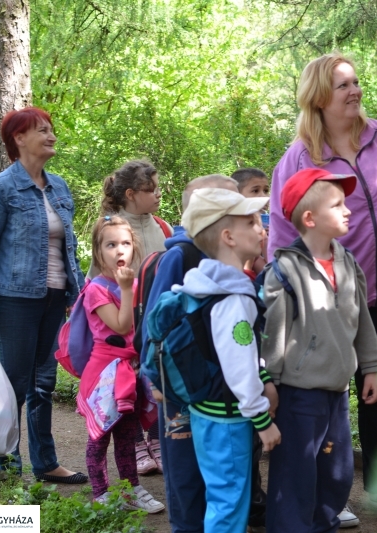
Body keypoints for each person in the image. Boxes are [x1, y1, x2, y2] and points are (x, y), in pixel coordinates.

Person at [267, 52, 377, 526]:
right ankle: (331, 495)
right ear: (318, 97)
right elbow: (280, 232)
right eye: (343, 85)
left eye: (355, 82)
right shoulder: (298, 158)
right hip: (326, 299)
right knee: (325, 398)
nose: (355, 91)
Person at [140, 174, 267, 533]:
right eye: (249, 221)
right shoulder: (193, 266)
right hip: (206, 402)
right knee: (209, 488)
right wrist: (154, 380)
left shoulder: (217, 275)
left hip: (206, 399)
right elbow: (154, 326)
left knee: (219, 488)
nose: (260, 227)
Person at [0, 106, 87, 483]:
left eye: (51, 129)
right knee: (15, 384)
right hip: (16, 299)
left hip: (56, 298)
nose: (52, 136)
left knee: (43, 384)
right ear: (19, 139)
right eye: (42, 130)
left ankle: (46, 463)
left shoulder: (59, 187)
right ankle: (8, 464)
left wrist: (77, 295)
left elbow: (70, 248)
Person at [262, 168, 377, 533]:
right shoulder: (284, 269)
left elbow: (361, 318)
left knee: (336, 474)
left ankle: (323, 525)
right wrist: (269, 383)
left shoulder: (347, 261)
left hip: (337, 392)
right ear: (310, 218)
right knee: (295, 478)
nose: (348, 210)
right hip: (298, 394)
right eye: (337, 204)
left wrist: (371, 366)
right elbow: (273, 333)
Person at [170, 187, 281, 533]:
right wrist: (262, 419)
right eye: (252, 222)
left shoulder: (201, 284)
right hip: (229, 418)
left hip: (206, 410)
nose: (261, 228)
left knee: (221, 497)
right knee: (230, 503)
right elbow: (239, 365)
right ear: (228, 237)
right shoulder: (234, 299)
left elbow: (225, 353)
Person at [90, 158, 173, 475]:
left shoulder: (163, 227)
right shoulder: (113, 228)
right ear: (130, 194)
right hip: (124, 324)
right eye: (150, 189)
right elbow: (96, 278)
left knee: (155, 379)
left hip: (159, 322)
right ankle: (137, 443)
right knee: (129, 384)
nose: (158, 194)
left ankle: (157, 440)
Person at [77, 215, 165, 513]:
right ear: (98, 250)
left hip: (131, 371)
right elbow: (120, 325)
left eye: (125, 243)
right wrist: (128, 290)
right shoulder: (96, 289)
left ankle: (131, 489)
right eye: (111, 244)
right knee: (100, 436)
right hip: (104, 374)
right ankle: (101, 493)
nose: (119, 250)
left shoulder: (136, 284)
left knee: (128, 435)